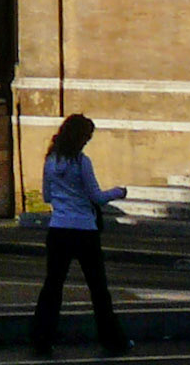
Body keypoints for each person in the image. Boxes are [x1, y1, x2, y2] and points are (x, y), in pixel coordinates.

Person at [31, 114, 130, 356]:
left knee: (53, 286)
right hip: (85, 230)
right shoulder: (82, 162)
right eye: (86, 136)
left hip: (58, 229)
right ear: (78, 137)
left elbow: (46, 196)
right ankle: (112, 339)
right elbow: (96, 196)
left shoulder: (51, 161)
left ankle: (42, 338)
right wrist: (119, 191)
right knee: (98, 288)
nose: (87, 141)